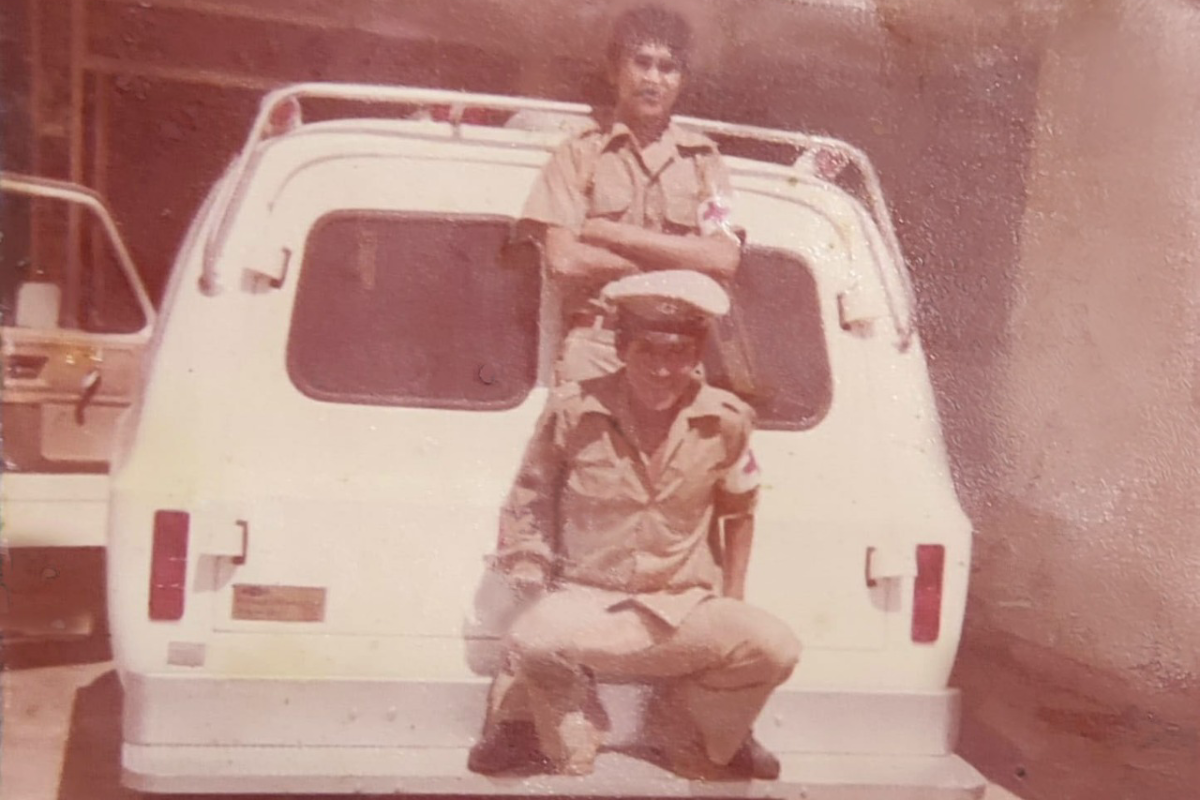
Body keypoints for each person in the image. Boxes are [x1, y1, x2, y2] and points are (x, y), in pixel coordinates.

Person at [468, 271, 800, 780]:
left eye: (680, 353)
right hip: (586, 600)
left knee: (772, 646)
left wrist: (731, 600)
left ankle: (686, 724)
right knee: (535, 644)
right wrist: (530, 566)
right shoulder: (574, 411)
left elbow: (739, 512)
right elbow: (529, 498)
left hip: (679, 606)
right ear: (623, 347)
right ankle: (566, 722)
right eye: (649, 351)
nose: (664, 370)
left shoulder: (728, 420)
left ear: (698, 354)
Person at [519, 5, 744, 384]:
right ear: (613, 70)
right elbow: (564, 260)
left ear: (682, 79)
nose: (653, 78)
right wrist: (675, 263)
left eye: (668, 67)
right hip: (598, 348)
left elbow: (722, 256)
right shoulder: (579, 154)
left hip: (679, 354)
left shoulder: (704, 161)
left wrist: (614, 234)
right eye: (641, 62)